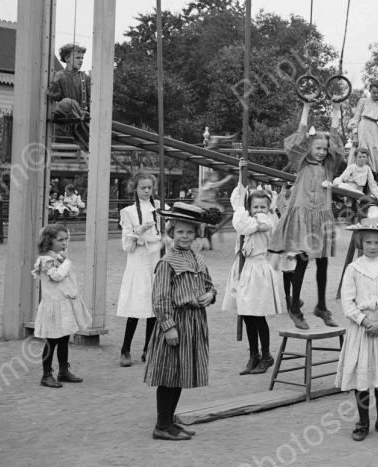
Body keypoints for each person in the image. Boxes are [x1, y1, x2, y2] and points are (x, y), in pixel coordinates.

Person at [270, 100, 345, 330]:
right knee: (302, 261)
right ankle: (294, 307)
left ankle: (321, 305)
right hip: (303, 215)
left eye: (324, 149)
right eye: (318, 148)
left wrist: (334, 110)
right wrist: (305, 107)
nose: (322, 152)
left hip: (321, 215)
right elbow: (297, 138)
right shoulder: (301, 162)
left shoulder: (329, 166)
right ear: (310, 148)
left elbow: (336, 143)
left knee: (322, 262)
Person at [145, 202, 217, 440]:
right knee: (169, 374)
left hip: (195, 323)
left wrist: (210, 294)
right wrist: (168, 327)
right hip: (177, 322)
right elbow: (160, 297)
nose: (185, 236)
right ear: (171, 234)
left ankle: (170, 420)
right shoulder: (167, 262)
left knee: (180, 374)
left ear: (196, 234)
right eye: (180, 232)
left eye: (189, 232)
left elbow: (208, 285)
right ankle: (162, 425)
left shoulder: (197, 258)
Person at [334, 215, 378, 441]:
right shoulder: (354, 268)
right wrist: (364, 321)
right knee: (363, 374)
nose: (373, 247)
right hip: (362, 326)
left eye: (377, 242)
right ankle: (363, 421)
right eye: (368, 242)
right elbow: (347, 301)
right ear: (360, 243)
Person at [223, 169, 283, 375]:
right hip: (244, 267)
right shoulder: (248, 218)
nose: (258, 210)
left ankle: (266, 354)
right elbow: (237, 200)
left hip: (258, 269)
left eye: (262, 207)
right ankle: (254, 354)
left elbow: (240, 224)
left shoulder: (266, 222)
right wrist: (241, 175)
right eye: (255, 206)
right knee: (247, 314)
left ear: (268, 208)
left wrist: (243, 208)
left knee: (257, 315)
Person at [32, 224, 89, 388]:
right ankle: (46, 374)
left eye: (66, 239)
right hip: (53, 305)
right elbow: (56, 276)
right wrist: (66, 263)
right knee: (52, 340)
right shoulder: (45, 260)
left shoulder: (59, 257)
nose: (64, 243)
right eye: (60, 240)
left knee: (64, 338)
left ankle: (63, 370)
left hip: (64, 303)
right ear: (49, 241)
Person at [116, 171, 161, 367]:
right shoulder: (128, 212)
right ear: (135, 188)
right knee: (136, 307)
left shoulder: (160, 207)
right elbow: (126, 246)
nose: (146, 191)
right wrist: (138, 232)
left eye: (149, 187)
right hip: (138, 262)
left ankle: (148, 348)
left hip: (156, 260)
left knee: (154, 306)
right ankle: (125, 350)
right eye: (142, 187)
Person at [47, 42, 91, 150]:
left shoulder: (84, 77)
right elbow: (55, 97)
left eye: (82, 58)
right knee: (67, 102)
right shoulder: (60, 75)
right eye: (77, 58)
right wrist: (55, 82)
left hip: (81, 114)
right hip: (66, 114)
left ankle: (86, 138)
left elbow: (90, 98)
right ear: (67, 58)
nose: (81, 60)